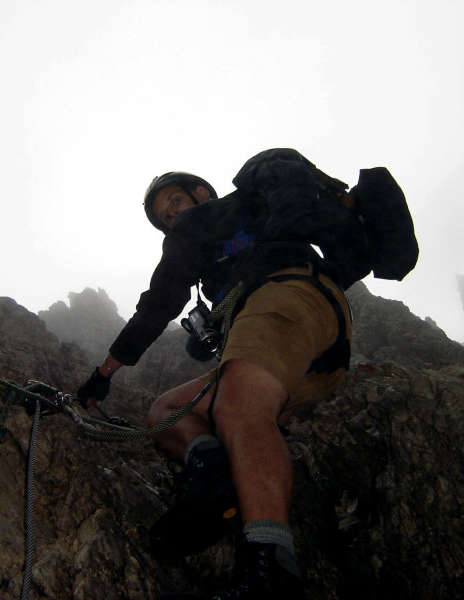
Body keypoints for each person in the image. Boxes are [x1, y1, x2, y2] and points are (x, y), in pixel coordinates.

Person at [77, 149, 353, 600]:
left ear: (200, 193)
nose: (170, 215)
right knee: (165, 414)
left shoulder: (217, 216)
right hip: (304, 358)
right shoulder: (222, 243)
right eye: (164, 214)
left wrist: (103, 373)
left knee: (238, 407)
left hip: (289, 300)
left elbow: (158, 306)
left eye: (173, 201)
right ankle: (215, 470)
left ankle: (271, 573)